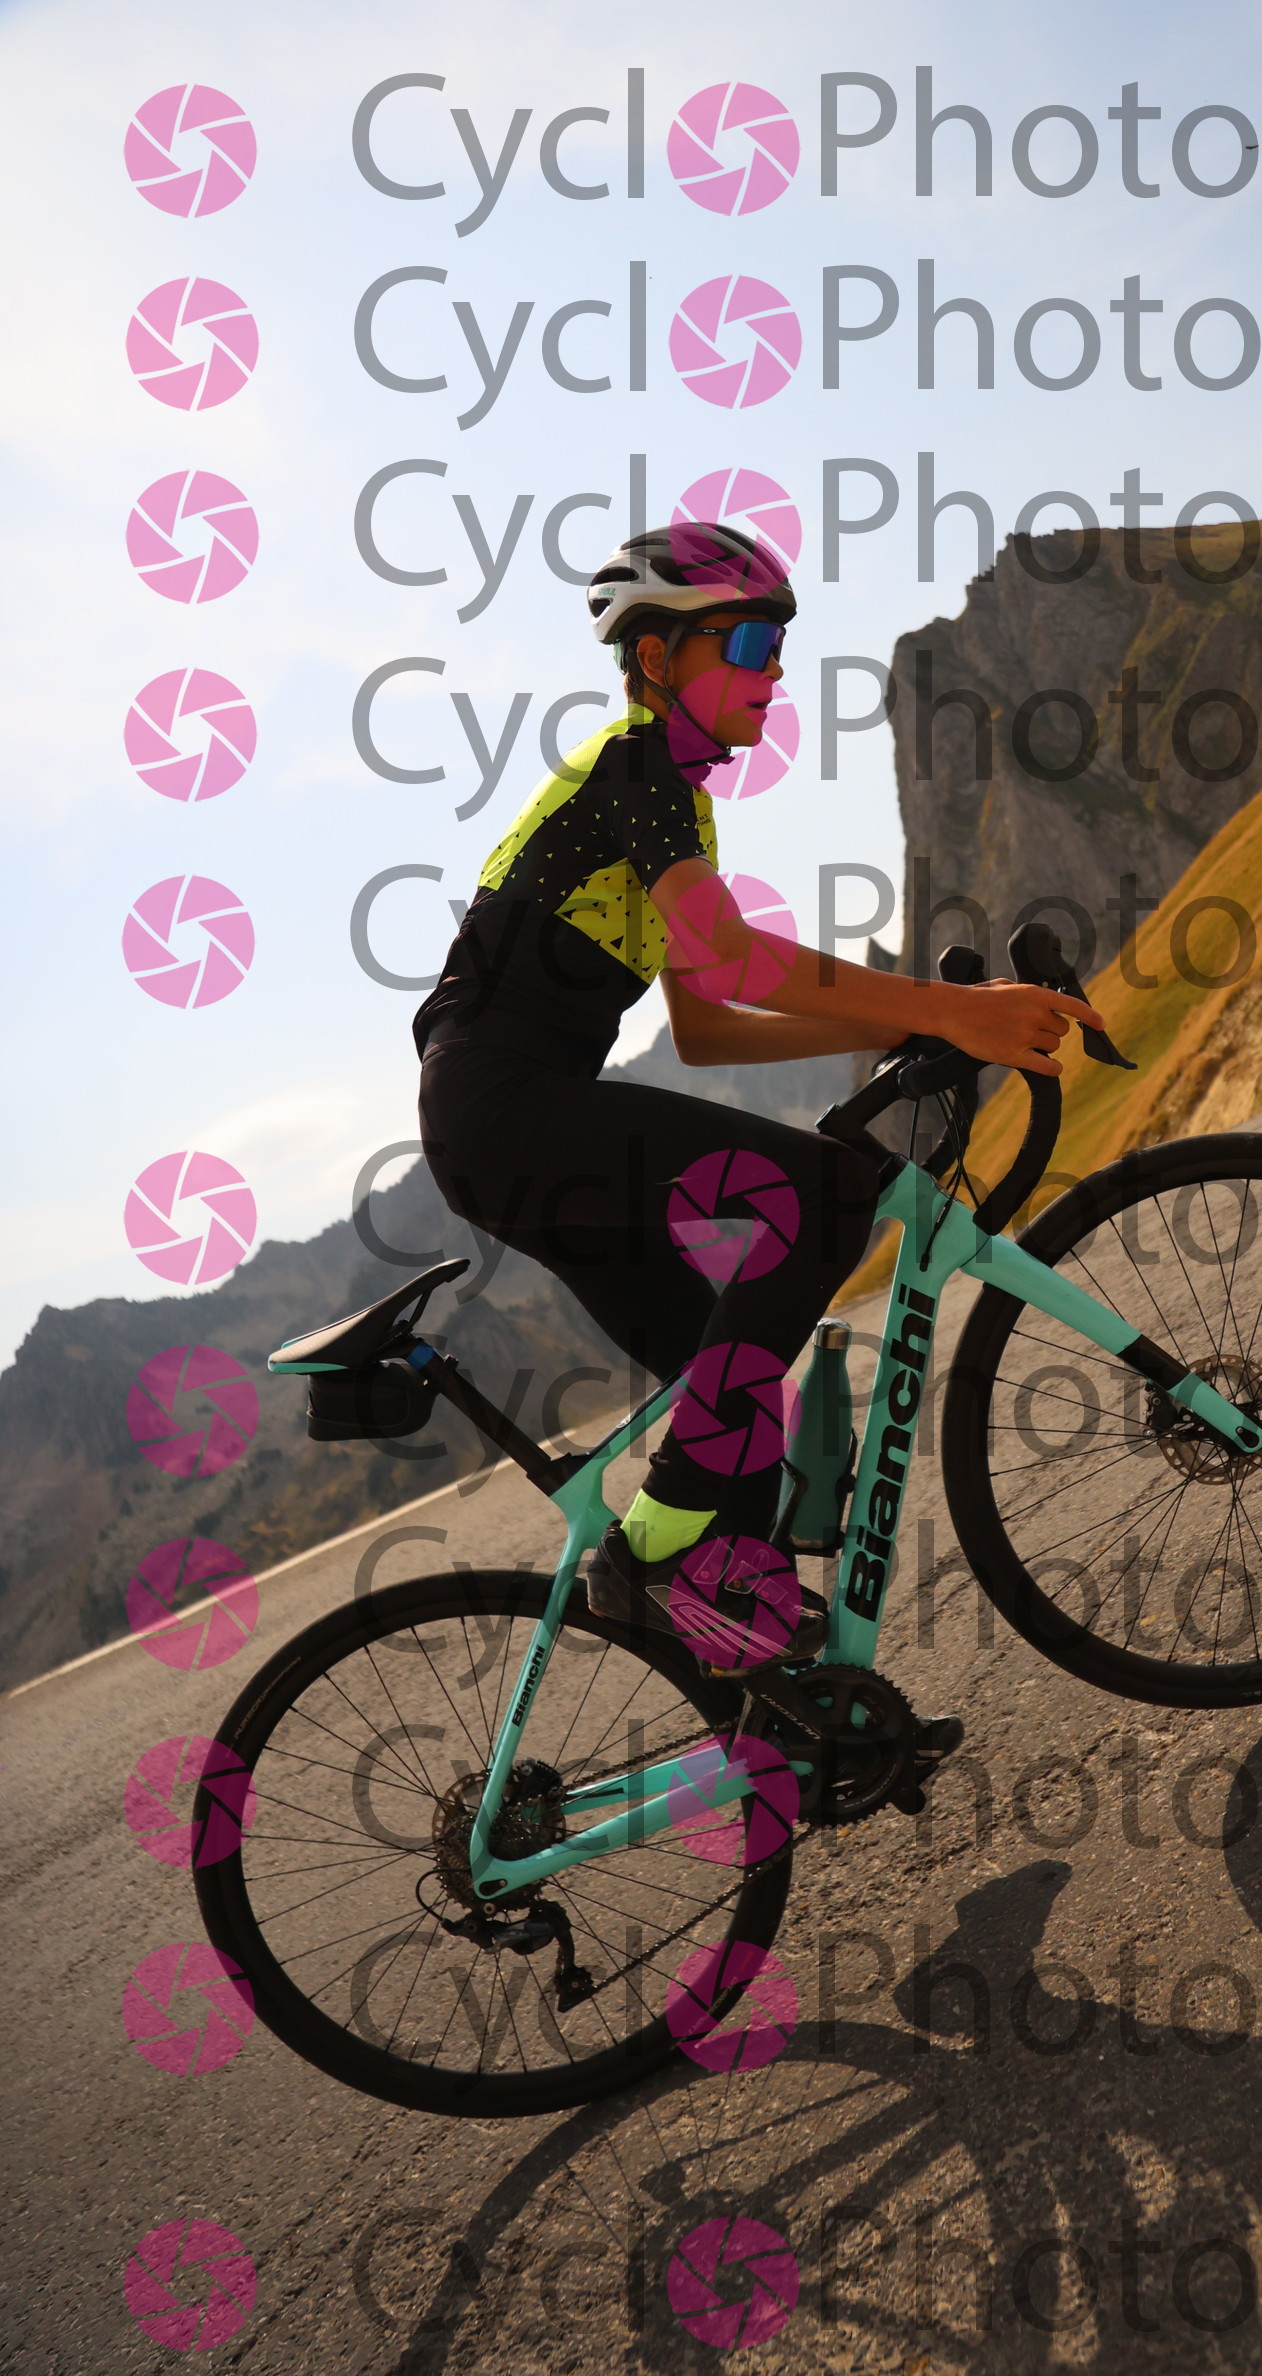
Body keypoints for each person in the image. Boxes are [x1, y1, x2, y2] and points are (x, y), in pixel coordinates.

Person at [414, 521, 1099, 1677]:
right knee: (819, 1199)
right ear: (655, 660)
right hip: (504, 1107)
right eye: (743, 642)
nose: (772, 670)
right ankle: (650, 1556)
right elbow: (730, 961)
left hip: (500, 1130)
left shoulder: (672, 803)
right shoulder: (634, 766)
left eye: (778, 646)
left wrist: (910, 1025)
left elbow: (708, 1027)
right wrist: (949, 1013)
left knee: (733, 1404)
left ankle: (784, 1711)